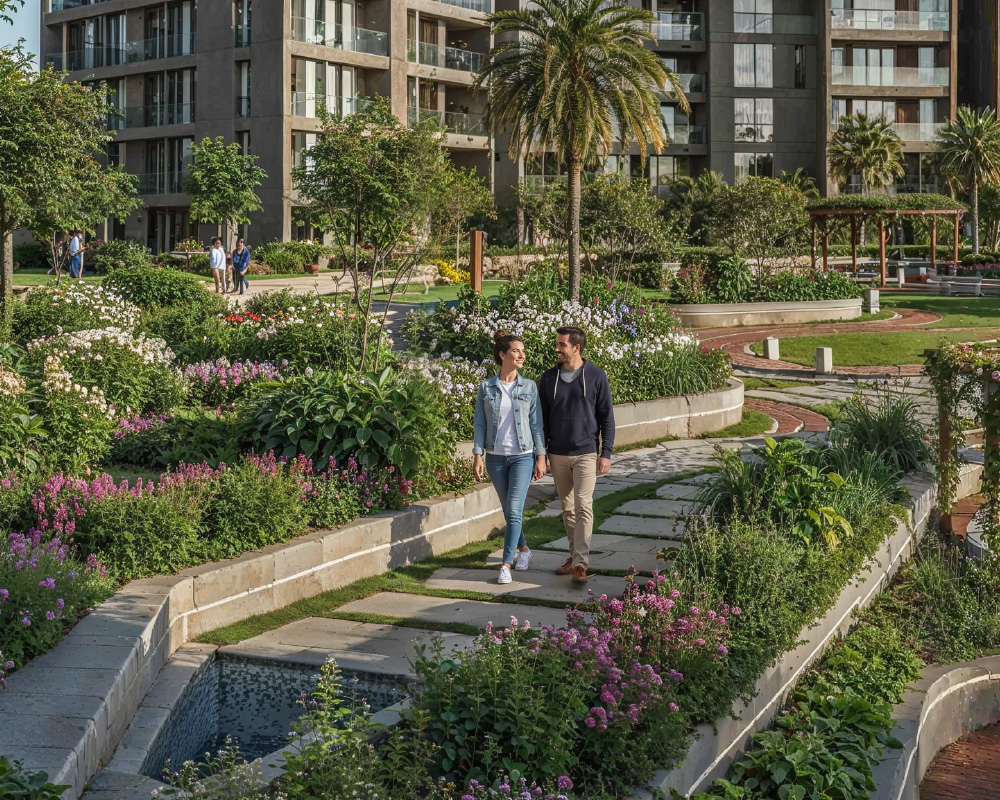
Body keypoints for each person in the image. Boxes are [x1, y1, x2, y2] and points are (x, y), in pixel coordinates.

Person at [538, 326, 615, 585]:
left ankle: (581, 564)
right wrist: (542, 453)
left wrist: (606, 453)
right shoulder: (548, 379)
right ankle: (573, 557)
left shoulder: (596, 376)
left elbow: (607, 418)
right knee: (568, 509)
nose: (557, 348)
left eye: (561, 345)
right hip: (557, 453)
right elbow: (542, 421)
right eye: (557, 344)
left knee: (584, 505)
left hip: (586, 453)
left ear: (576, 347)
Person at [472, 332, 547, 585]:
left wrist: (540, 456)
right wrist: (478, 454)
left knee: (514, 510)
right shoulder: (486, 387)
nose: (522, 355)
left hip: (522, 457)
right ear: (503, 355)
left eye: (523, 351)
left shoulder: (529, 387)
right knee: (509, 511)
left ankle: (506, 564)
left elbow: (536, 425)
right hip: (495, 458)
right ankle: (524, 549)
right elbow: (480, 424)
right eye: (516, 351)